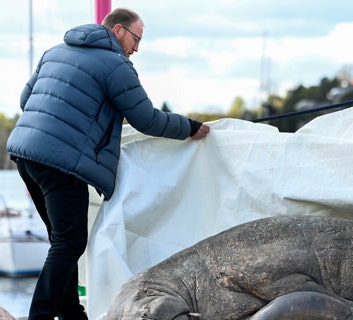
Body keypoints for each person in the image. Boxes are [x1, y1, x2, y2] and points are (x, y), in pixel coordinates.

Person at [6, 8, 210, 320]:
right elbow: (146, 120)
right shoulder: (116, 65)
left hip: (25, 154)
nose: (137, 48)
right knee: (69, 241)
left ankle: (71, 313)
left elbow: (26, 100)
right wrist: (189, 127)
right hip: (61, 162)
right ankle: (42, 315)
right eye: (136, 39)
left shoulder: (55, 51)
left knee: (61, 241)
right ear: (118, 30)